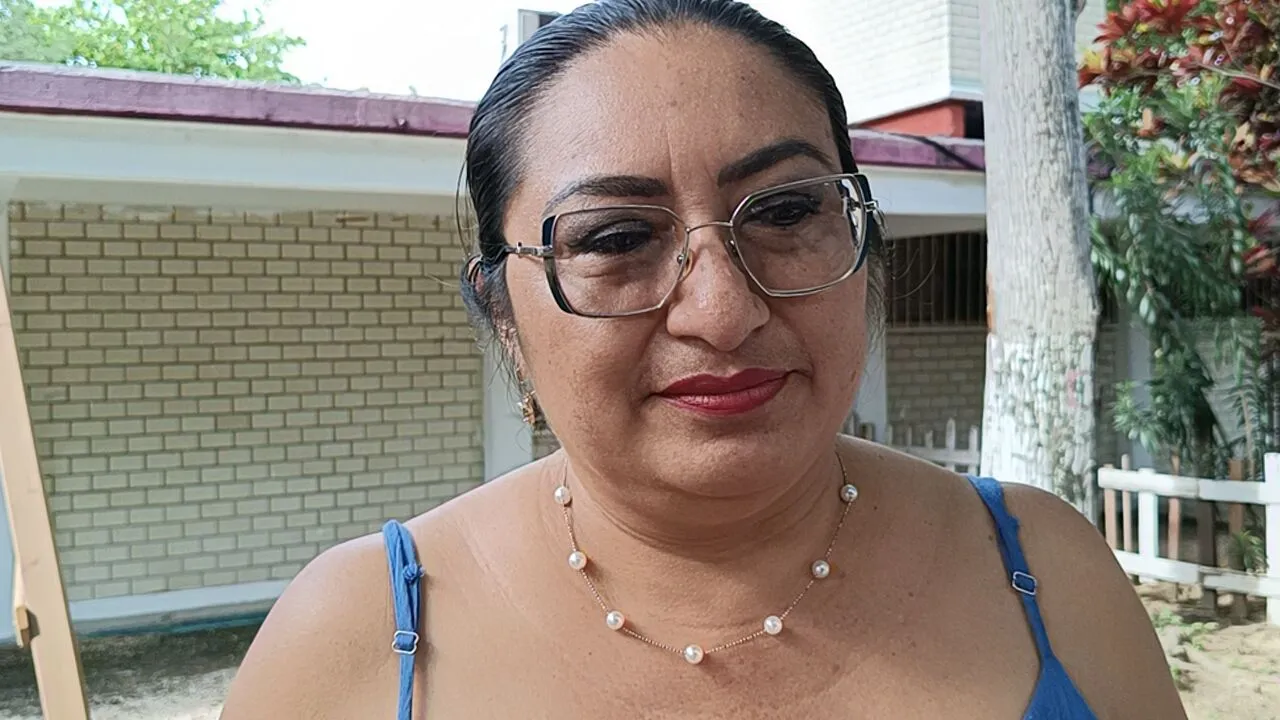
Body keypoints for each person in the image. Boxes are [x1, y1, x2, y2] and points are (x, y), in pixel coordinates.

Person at [221, 1, 1186, 718]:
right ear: (503, 316)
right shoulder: (355, 638)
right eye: (613, 238)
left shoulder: (1047, 574)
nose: (722, 311)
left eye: (784, 211)